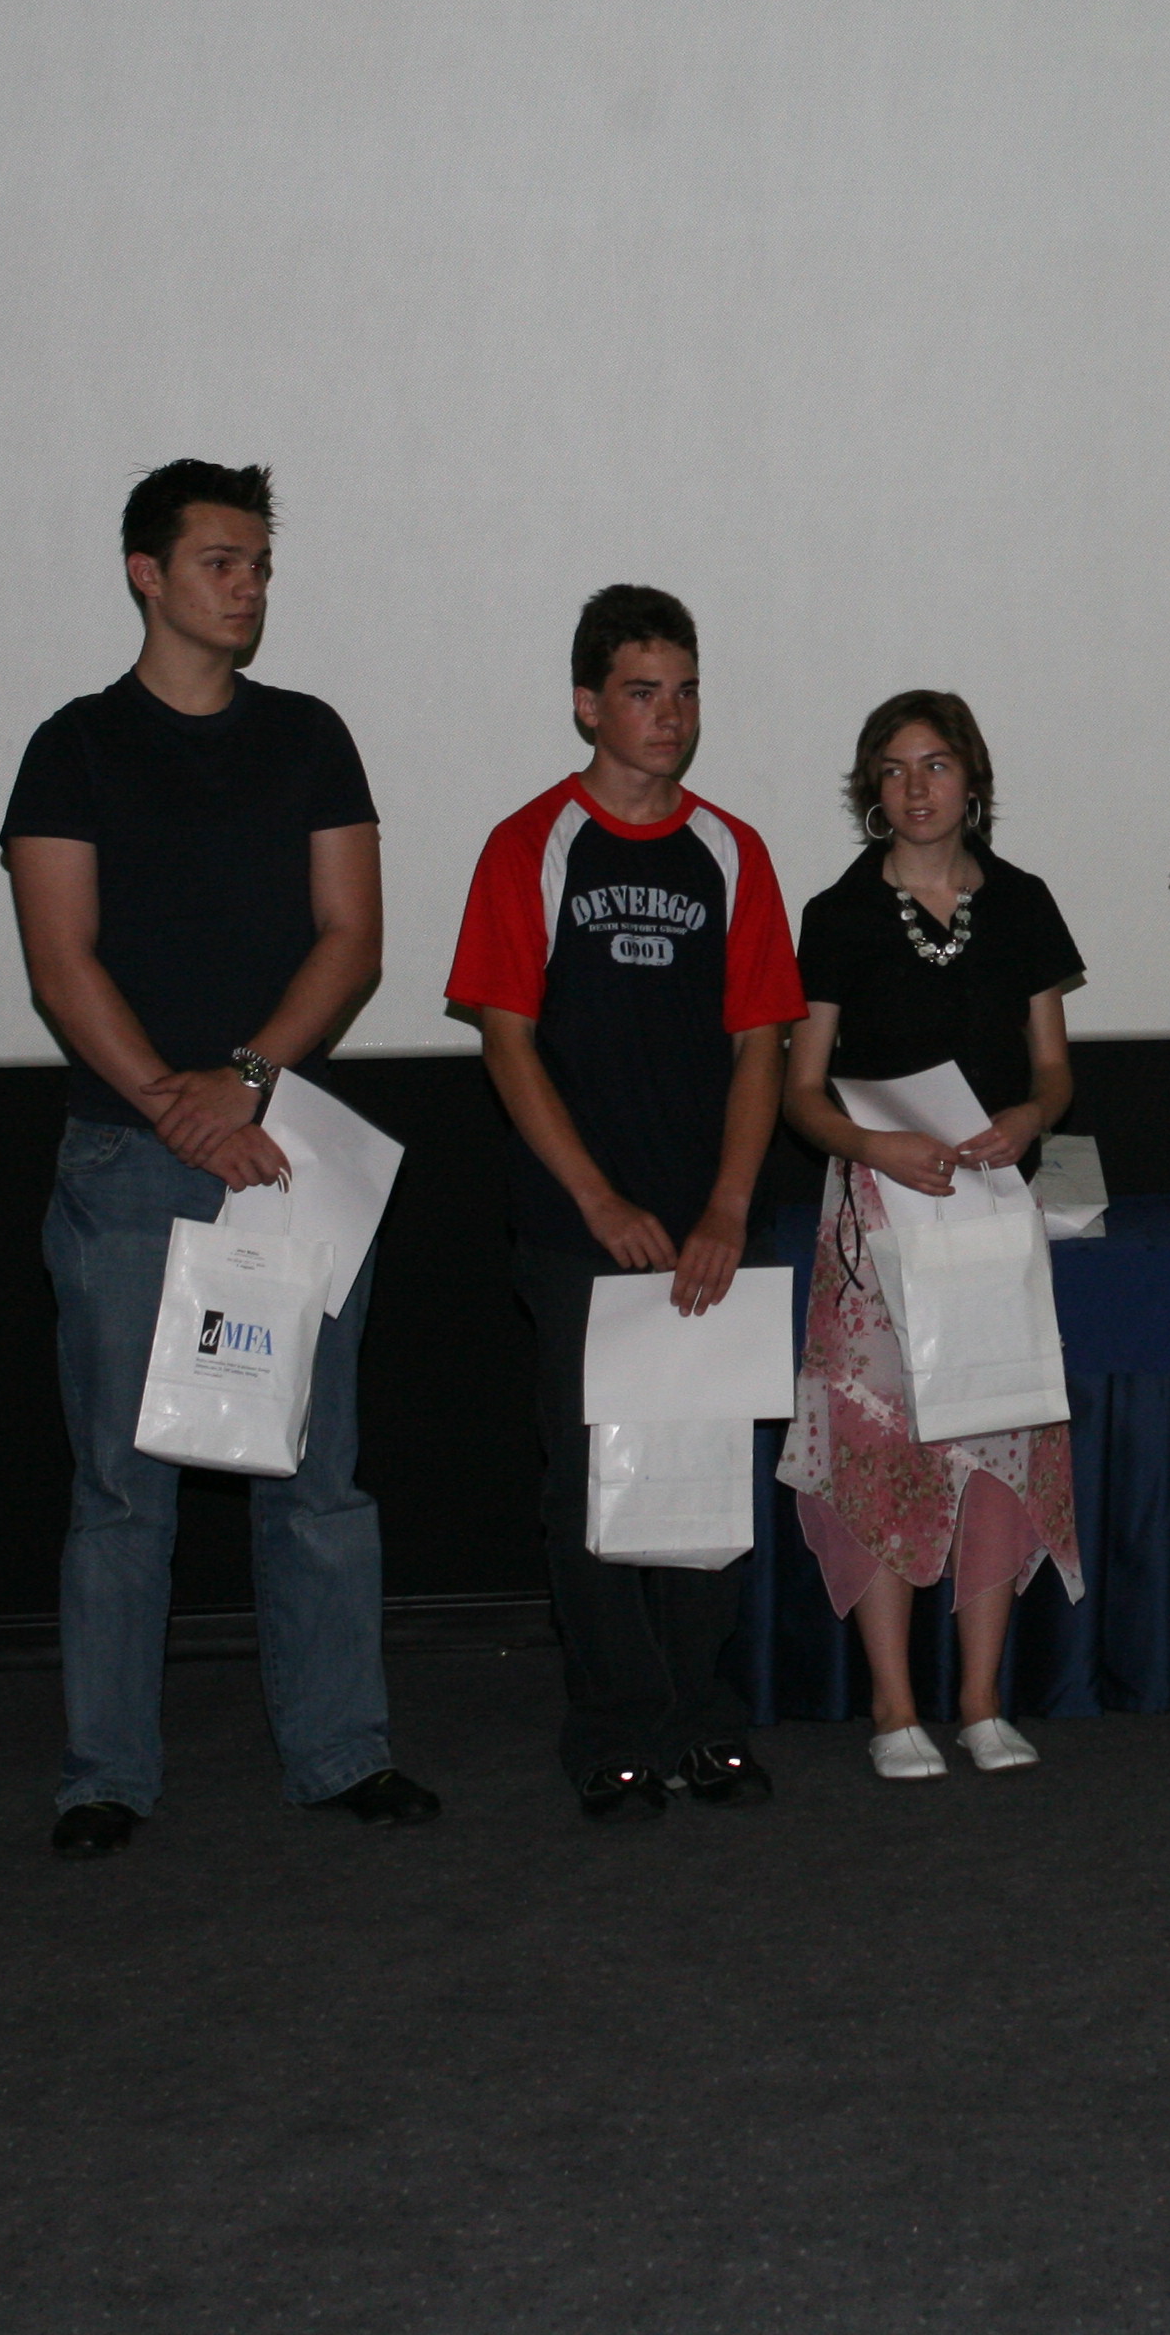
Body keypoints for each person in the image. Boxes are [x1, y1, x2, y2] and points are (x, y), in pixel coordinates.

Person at [4, 459, 435, 1856]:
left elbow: (353, 938)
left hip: (284, 1148)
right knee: (124, 1484)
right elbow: (59, 958)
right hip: (126, 1159)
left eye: (258, 565)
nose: (246, 588)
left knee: (316, 1472)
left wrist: (244, 1081)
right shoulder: (73, 745)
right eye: (219, 562)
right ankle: (105, 1775)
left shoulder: (309, 735)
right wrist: (169, 1100)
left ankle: (343, 1750)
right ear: (147, 573)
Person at [447, 585, 807, 1819]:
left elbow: (762, 1044)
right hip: (577, 1228)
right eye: (643, 692)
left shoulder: (732, 850)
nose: (671, 715)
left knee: (707, 1474)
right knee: (592, 1482)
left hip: (710, 1223)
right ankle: (614, 1726)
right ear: (587, 705)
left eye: (687, 690)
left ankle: (706, 1721)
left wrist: (728, 1206)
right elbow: (507, 1042)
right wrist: (597, 1200)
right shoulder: (530, 844)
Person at [778, 692, 1091, 1778]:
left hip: (992, 1208)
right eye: (895, 768)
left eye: (938, 764)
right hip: (878, 1215)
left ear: (973, 781)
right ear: (873, 788)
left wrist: (1030, 1116)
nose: (917, 787)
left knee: (997, 1442)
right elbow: (801, 1093)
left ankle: (981, 1701)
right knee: (881, 1457)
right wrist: (875, 1145)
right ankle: (893, 1706)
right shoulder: (837, 913)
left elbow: (1054, 1069)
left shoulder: (1024, 901)